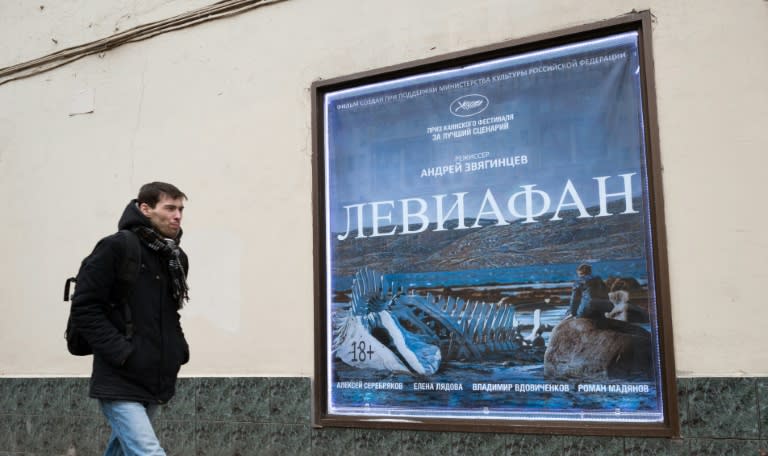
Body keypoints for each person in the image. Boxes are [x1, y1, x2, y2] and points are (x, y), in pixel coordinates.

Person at [71, 182, 190, 456]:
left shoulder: (175, 257)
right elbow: (85, 307)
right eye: (169, 208)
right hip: (119, 374)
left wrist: (177, 350)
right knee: (148, 451)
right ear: (145, 209)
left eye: (181, 209)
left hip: (155, 373)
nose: (177, 216)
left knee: (123, 450)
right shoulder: (116, 247)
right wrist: (122, 353)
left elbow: (171, 313)